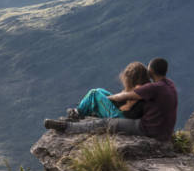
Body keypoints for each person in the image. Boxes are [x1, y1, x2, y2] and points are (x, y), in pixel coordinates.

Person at [44, 58, 178, 142]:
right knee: (99, 92)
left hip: (148, 130)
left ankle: (67, 127)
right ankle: (80, 112)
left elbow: (124, 97)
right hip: (162, 130)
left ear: (151, 71)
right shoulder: (169, 84)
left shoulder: (152, 88)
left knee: (105, 123)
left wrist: (103, 99)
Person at [68, 61, 150, 120]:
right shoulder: (145, 89)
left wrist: (104, 100)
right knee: (100, 90)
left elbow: (126, 109)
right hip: (122, 115)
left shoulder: (138, 90)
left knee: (94, 93)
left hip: (120, 119)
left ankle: (77, 113)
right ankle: (88, 107)